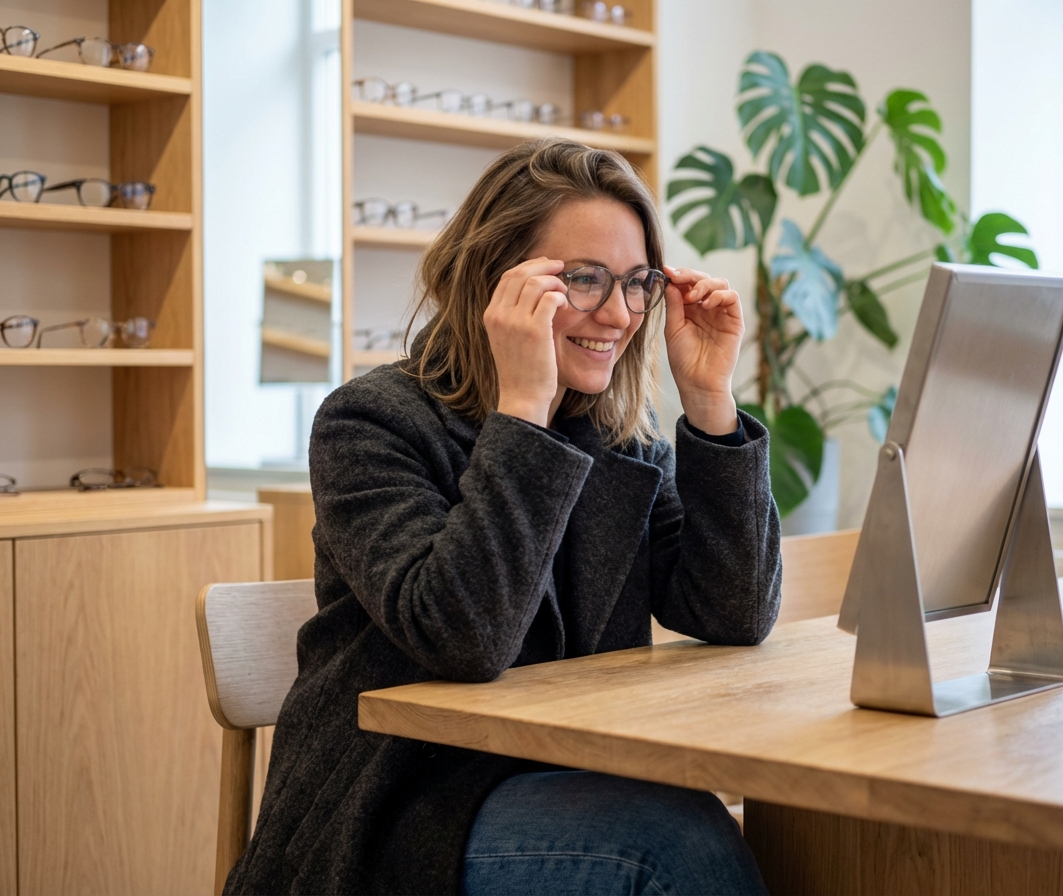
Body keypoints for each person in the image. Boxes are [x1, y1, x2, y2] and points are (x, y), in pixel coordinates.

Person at [226, 139, 781, 896]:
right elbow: (466, 636)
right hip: (398, 807)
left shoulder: (620, 440)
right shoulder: (371, 422)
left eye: (637, 282)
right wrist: (524, 412)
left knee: (709, 832)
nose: (618, 313)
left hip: (569, 775)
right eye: (583, 279)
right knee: (674, 851)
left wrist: (712, 406)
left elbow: (733, 611)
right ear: (494, 283)